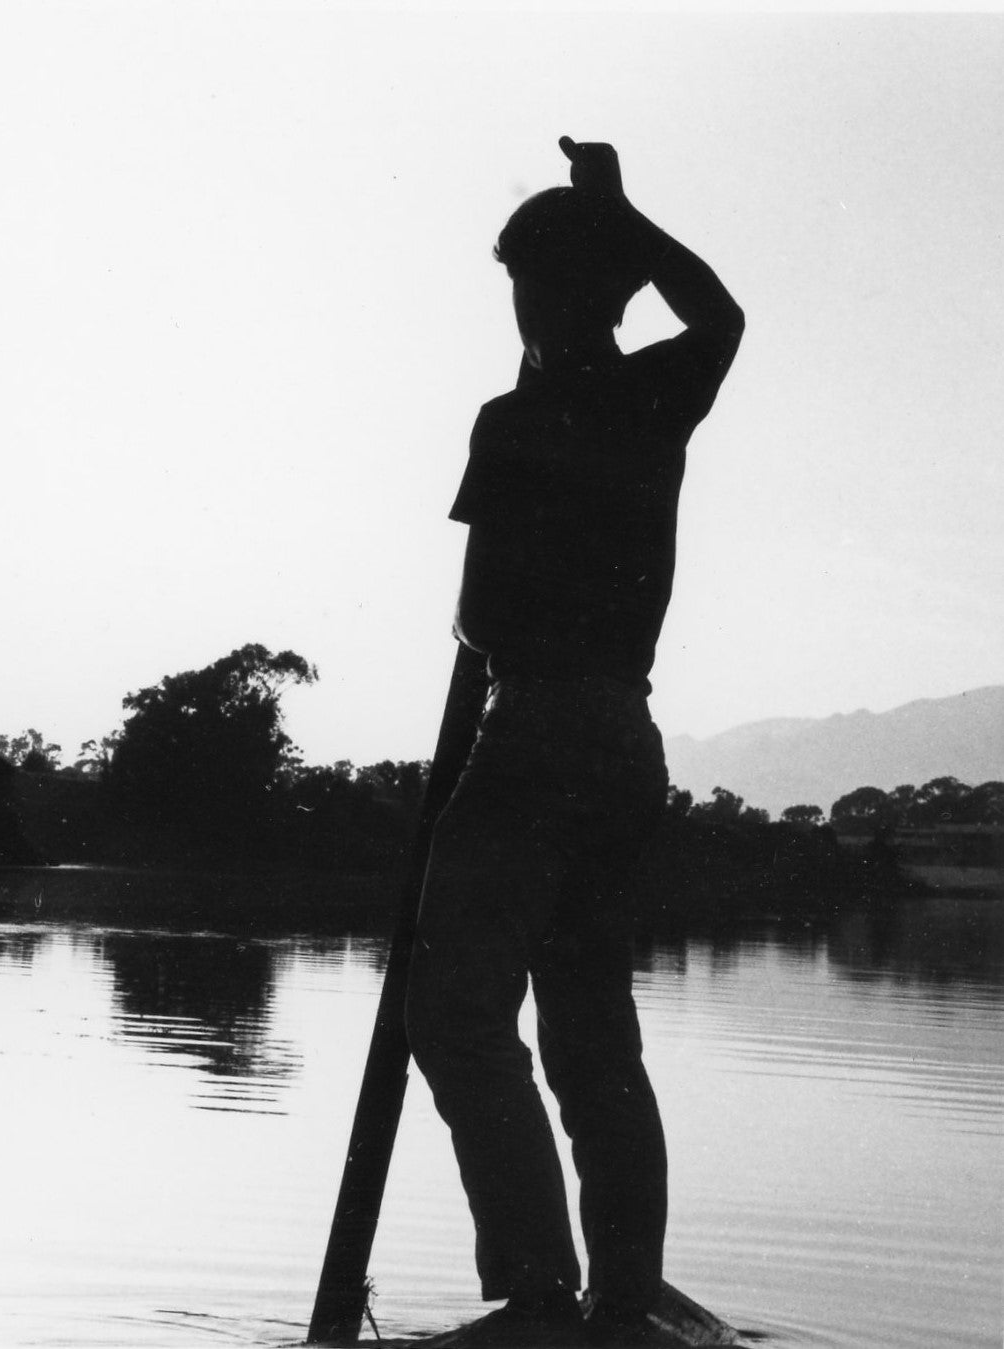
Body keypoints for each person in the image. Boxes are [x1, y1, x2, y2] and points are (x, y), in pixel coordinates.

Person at [405, 138, 744, 1345]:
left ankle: (546, 1290)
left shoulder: (517, 418)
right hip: (624, 740)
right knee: (594, 1035)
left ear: (548, 296)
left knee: (449, 1010)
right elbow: (719, 309)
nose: (520, 308)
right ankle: (621, 1295)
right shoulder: (657, 397)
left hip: (536, 727)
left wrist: (600, 217)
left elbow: (482, 615)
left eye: (527, 288)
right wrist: (619, 215)